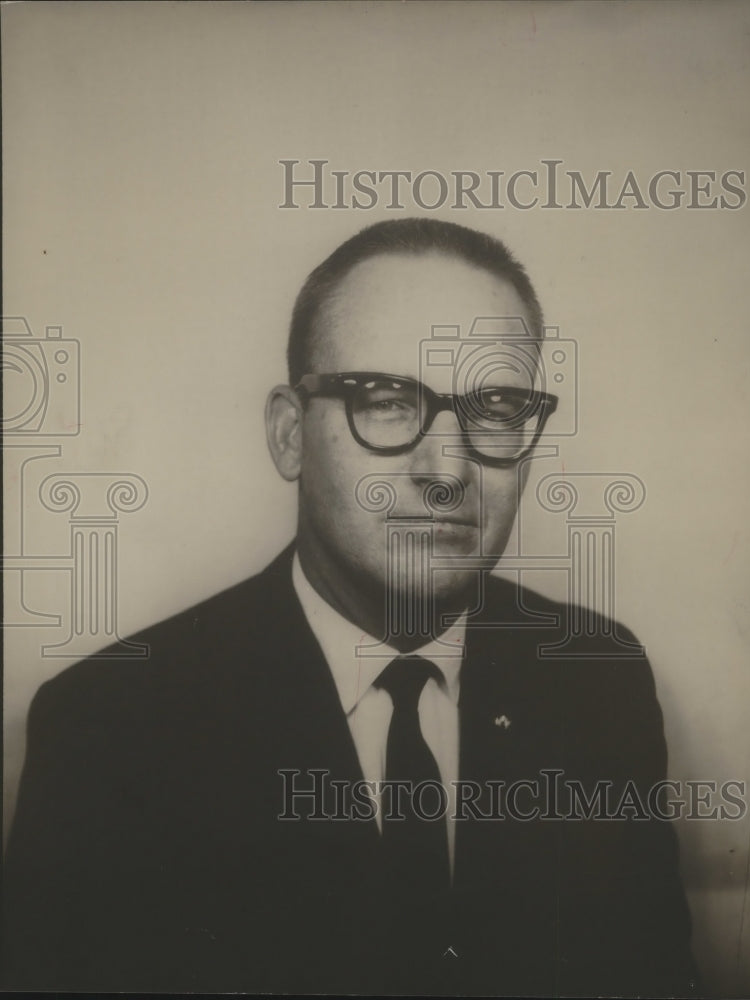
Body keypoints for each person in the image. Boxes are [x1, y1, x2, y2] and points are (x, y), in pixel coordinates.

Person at [2, 218, 697, 995]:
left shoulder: (597, 679)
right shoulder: (110, 724)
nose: (446, 470)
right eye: (388, 400)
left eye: (495, 406)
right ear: (290, 434)